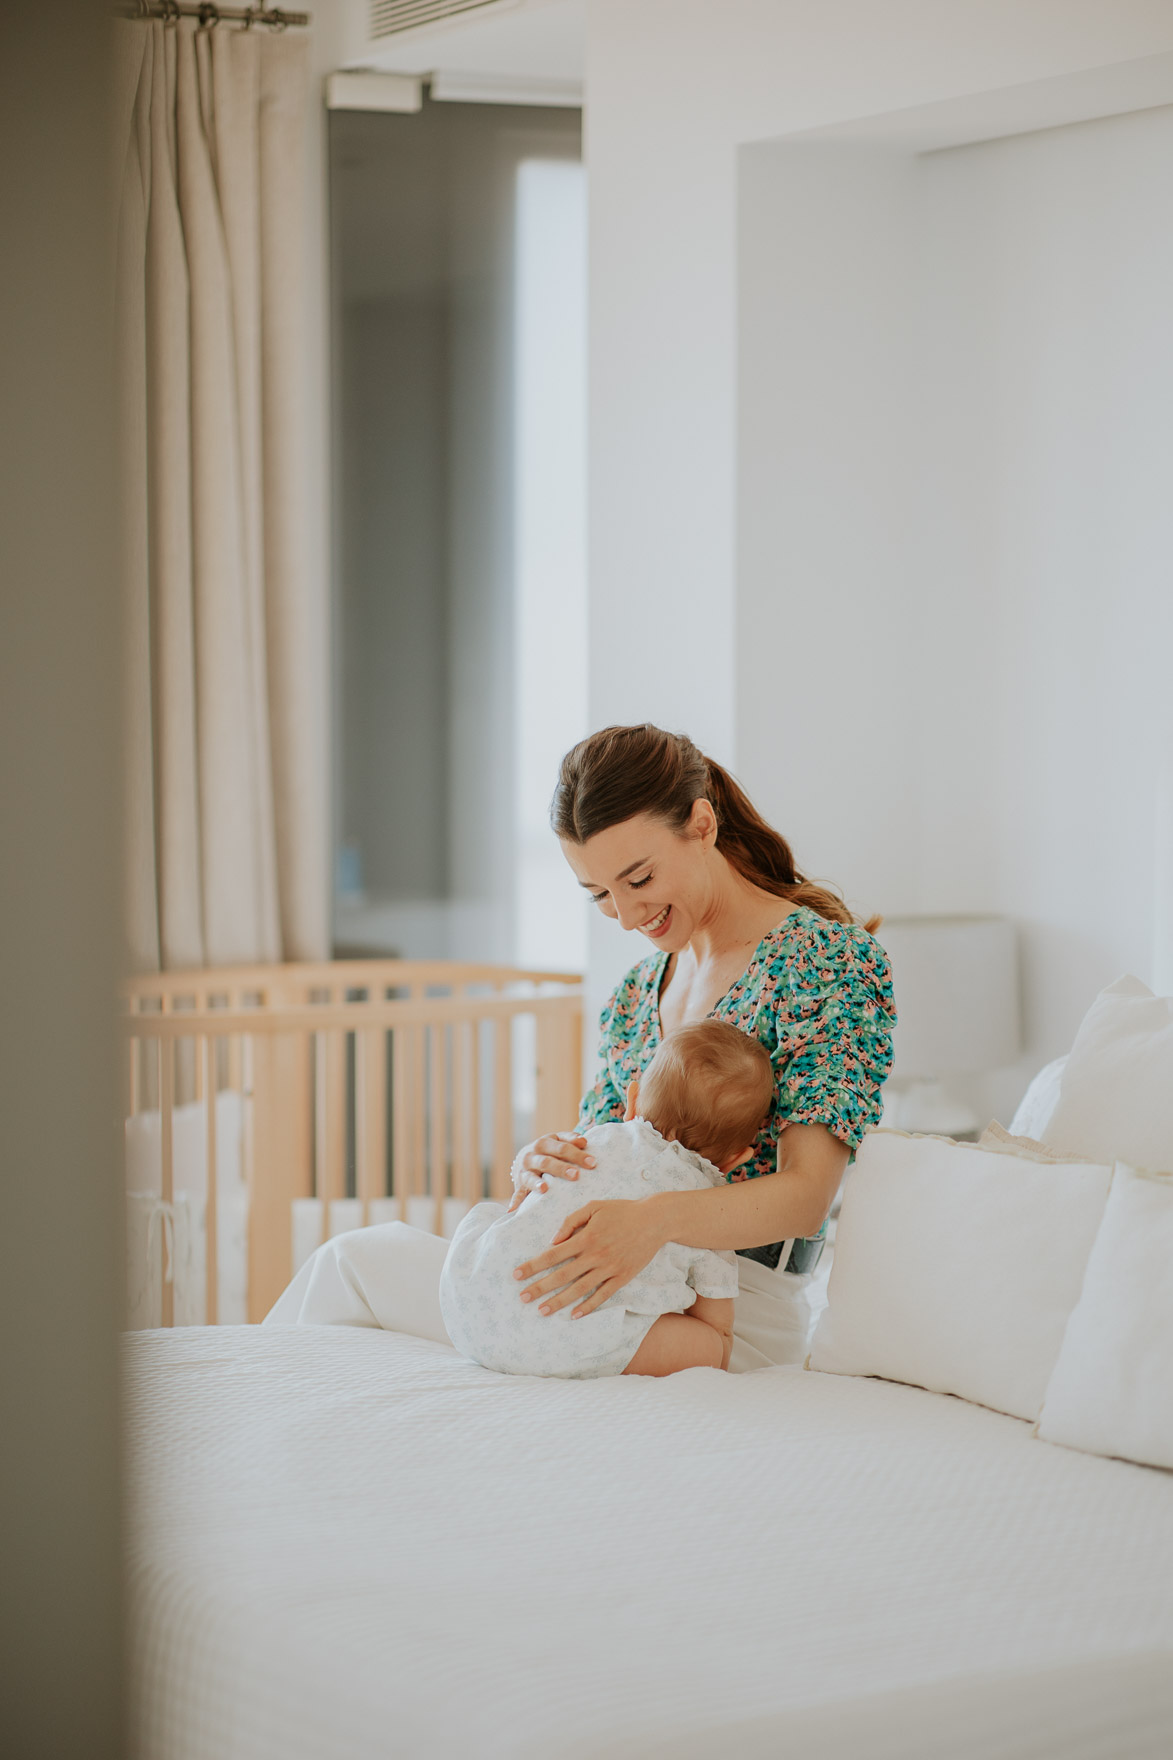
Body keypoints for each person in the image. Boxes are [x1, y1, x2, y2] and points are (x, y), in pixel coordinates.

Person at [266, 724, 895, 1370]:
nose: (625, 915)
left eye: (638, 878)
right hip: (613, 1272)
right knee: (350, 1264)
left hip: (729, 1304)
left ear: (701, 825)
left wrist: (652, 1221)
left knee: (357, 1269)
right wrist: (540, 1164)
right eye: (599, 895)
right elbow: (606, 1154)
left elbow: (804, 1196)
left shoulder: (825, 963)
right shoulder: (635, 994)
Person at [440, 1021, 772, 1380]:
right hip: (567, 1339)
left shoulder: (590, 1141)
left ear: (631, 1103)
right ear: (737, 1159)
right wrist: (717, 1344)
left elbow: (535, 1198)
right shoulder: (708, 1212)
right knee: (709, 1346)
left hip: (471, 1309)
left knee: (487, 1216)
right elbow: (717, 1324)